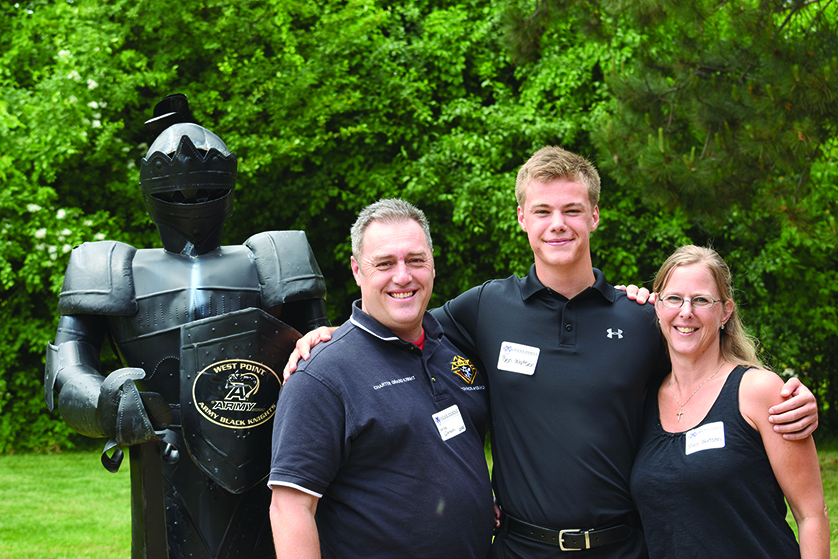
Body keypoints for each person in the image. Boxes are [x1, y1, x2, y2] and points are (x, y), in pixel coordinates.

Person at [286, 146, 818, 558]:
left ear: (595, 216)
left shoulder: (640, 317)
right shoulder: (485, 308)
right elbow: (398, 322)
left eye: (571, 209)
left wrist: (789, 397)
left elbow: (706, 371)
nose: (557, 223)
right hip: (520, 547)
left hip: (624, 547)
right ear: (522, 219)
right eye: (542, 210)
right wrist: (328, 334)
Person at [44, 94, 330, 559]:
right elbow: (64, 371)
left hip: (265, 454)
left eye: (205, 190)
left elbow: (324, 361)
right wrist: (106, 399)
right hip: (159, 457)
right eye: (176, 193)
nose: (192, 201)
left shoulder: (275, 257)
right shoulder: (107, 265)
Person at [268, 198, 495, 558]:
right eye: (385, 263)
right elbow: (290, 508)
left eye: (415, 260)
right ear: (358, 270)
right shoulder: (321, 374)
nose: (402, 276)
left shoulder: (454, 351)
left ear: (433, 265)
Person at [630, 245, 829, 558]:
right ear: (657, 306)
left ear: (725, 311)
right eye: (674, 298)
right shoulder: (641, 398)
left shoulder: (759, 392)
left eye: (701, 300)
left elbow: (811, 515)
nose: (686, 312)